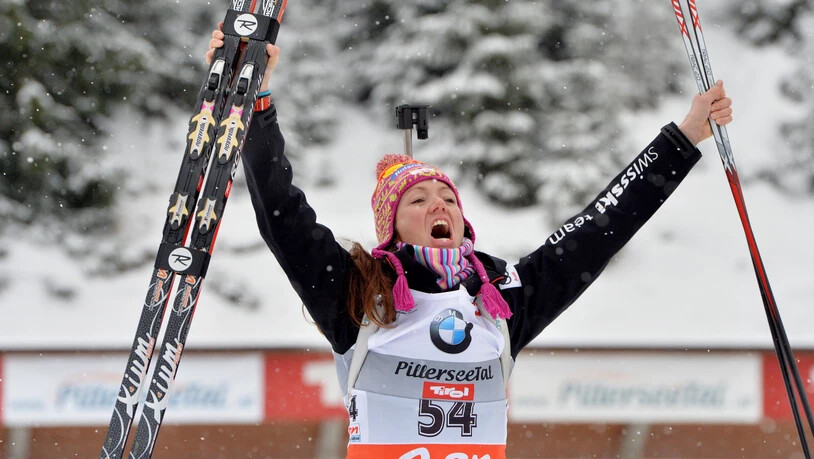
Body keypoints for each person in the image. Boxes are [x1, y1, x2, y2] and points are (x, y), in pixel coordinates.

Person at [208, 26, 732, 458]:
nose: (439, 205)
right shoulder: (359, 296)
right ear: (392, 228)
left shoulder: (501, 302)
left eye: (448, 198)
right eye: (418, 200)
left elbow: (599, 229)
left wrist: (683, 138)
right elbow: (283, 215)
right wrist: (254, 105)